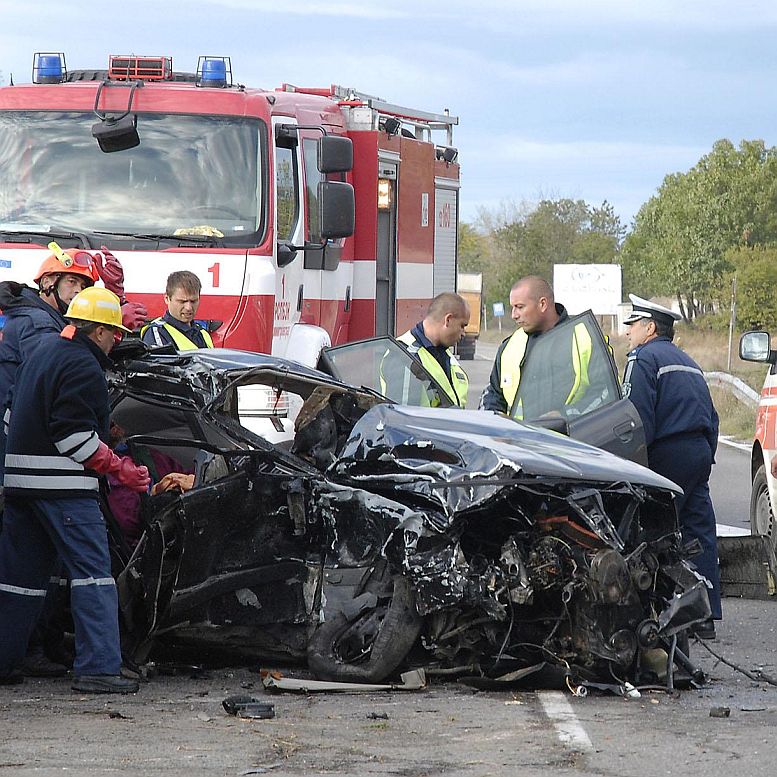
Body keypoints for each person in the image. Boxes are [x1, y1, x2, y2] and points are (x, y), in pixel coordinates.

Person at [0, 287, 150, 692]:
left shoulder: (42, 355)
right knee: (92, 578)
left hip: (20, 486)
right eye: (114, 333)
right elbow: (73, 439)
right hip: (64, 490)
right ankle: (99, 670)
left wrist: (103, 435)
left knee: (18, 582)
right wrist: (121, 469)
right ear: (99, 331)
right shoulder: (84, 366)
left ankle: (4, 661)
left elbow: (14, 419)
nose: (115, 340)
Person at [622, 293, 721, 639]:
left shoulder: (643, 358)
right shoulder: (687, 361)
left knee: (654, 533)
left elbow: (637, 415)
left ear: (649, 328)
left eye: (632, 326)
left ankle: (662, 614)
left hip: (666, 454)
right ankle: (704, 617)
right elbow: (712, 416)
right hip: (697, 451)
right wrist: (705, 455)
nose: (627, 334)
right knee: (698, 531)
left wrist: (634, 464)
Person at [481, 275, 597, 418]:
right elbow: (493, 395)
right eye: (513, 308)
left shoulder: (586, 337)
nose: (514, 315)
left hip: (569, 438)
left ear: (542, 304)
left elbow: (603, 394)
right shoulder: (509, 346)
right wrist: (496, 423)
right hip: (518, 438)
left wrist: (565, 416)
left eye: (520, 307)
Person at [394, 292, 470, 408]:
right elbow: (404, 419)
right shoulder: (403, 355)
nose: (463, 333)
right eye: (462, 326)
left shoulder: (445, 354)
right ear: (448, 320)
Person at [141, 271, 213, 349]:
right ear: (167, 298)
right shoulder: (156, 332)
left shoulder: (203, 333)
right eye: (182, 301)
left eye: (193, 301)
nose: (188, 307)